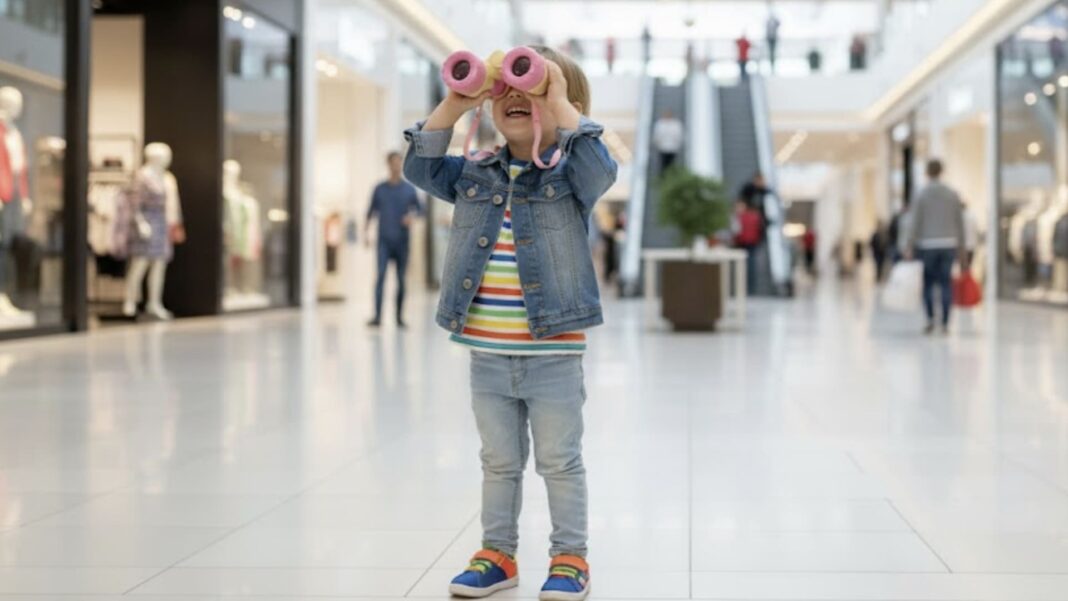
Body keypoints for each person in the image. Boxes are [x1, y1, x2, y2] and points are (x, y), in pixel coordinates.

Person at [402, 45, 617, 600]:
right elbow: (420, 165)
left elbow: (602, 169)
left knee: (559, 463)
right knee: (498, 462)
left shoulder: (571, 176)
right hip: (488, 355)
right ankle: (497, 554)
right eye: (507, 90)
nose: (518, 98)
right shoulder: (473, 172)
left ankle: (570, 558)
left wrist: (560, 103)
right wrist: (455, 101)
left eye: (535, 89)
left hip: (553, 354)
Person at [906, 159, 965, 334]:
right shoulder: (952, 194)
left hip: (927, 245)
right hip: (949, 244)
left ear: (927, 172)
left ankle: (931, 319)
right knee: (946, 283)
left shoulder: (921, 194)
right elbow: (959, 222)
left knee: (929, 284)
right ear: (942, 171)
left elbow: (914, 222)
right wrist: (961, 247)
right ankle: (946, 322)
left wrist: (909, 244)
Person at [365, 151, 422, 328]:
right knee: (380, 277)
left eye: (399, 163)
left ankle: (399, 317)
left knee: (401, 279)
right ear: (388, 165)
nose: (396, 166)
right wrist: (365, 233)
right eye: (393, 163)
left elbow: (421, 210)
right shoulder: (379, 188)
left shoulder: (409, 189)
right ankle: (377, 317)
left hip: (402, 242)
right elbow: (370, 212)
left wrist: (411, 217)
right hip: (383, 241)